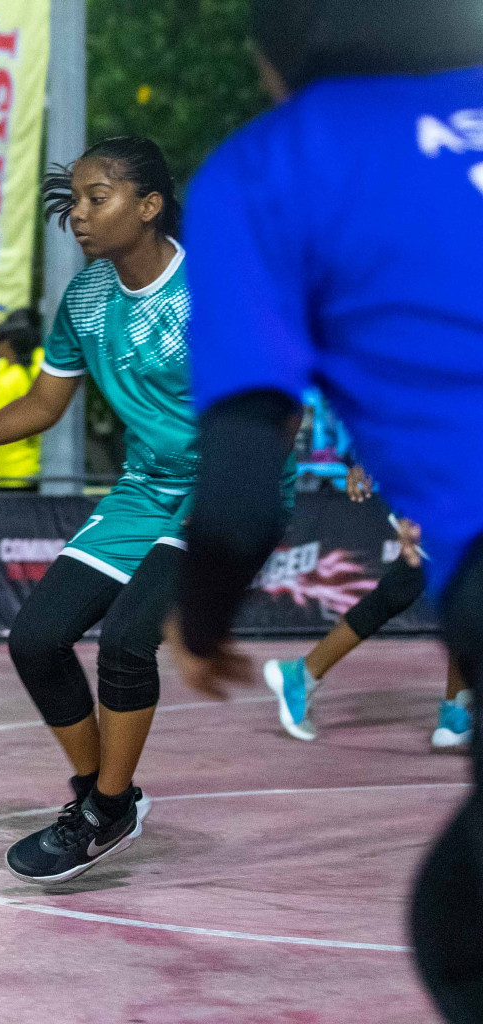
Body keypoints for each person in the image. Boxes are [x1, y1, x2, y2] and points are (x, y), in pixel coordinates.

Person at [165, 2, 483, 1018]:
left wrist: (203, 618)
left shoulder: (270, 168)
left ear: (274, 51)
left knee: (461, 931)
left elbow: (238, 495)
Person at [0, 137, 203, 884]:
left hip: (224, 492)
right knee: (36, 639)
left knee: (126, 640)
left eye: (97, 197)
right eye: (73, 199)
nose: (78, 215)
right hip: (146, 490)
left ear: (148, 207)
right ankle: (102, 796)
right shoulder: (86, 299)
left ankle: (104, 811)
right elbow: (47, 402)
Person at [261, 466, 472, 748]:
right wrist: (367, 464)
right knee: (453, 588)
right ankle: (456, 712)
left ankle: (457, 711)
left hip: (454, 491)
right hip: (447, 491)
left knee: (426, 589)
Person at [0, 308, 43, 490]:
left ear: (8, 344)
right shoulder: (30, 370)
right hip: (31, 468)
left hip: (7, 473)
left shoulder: (6, 381)